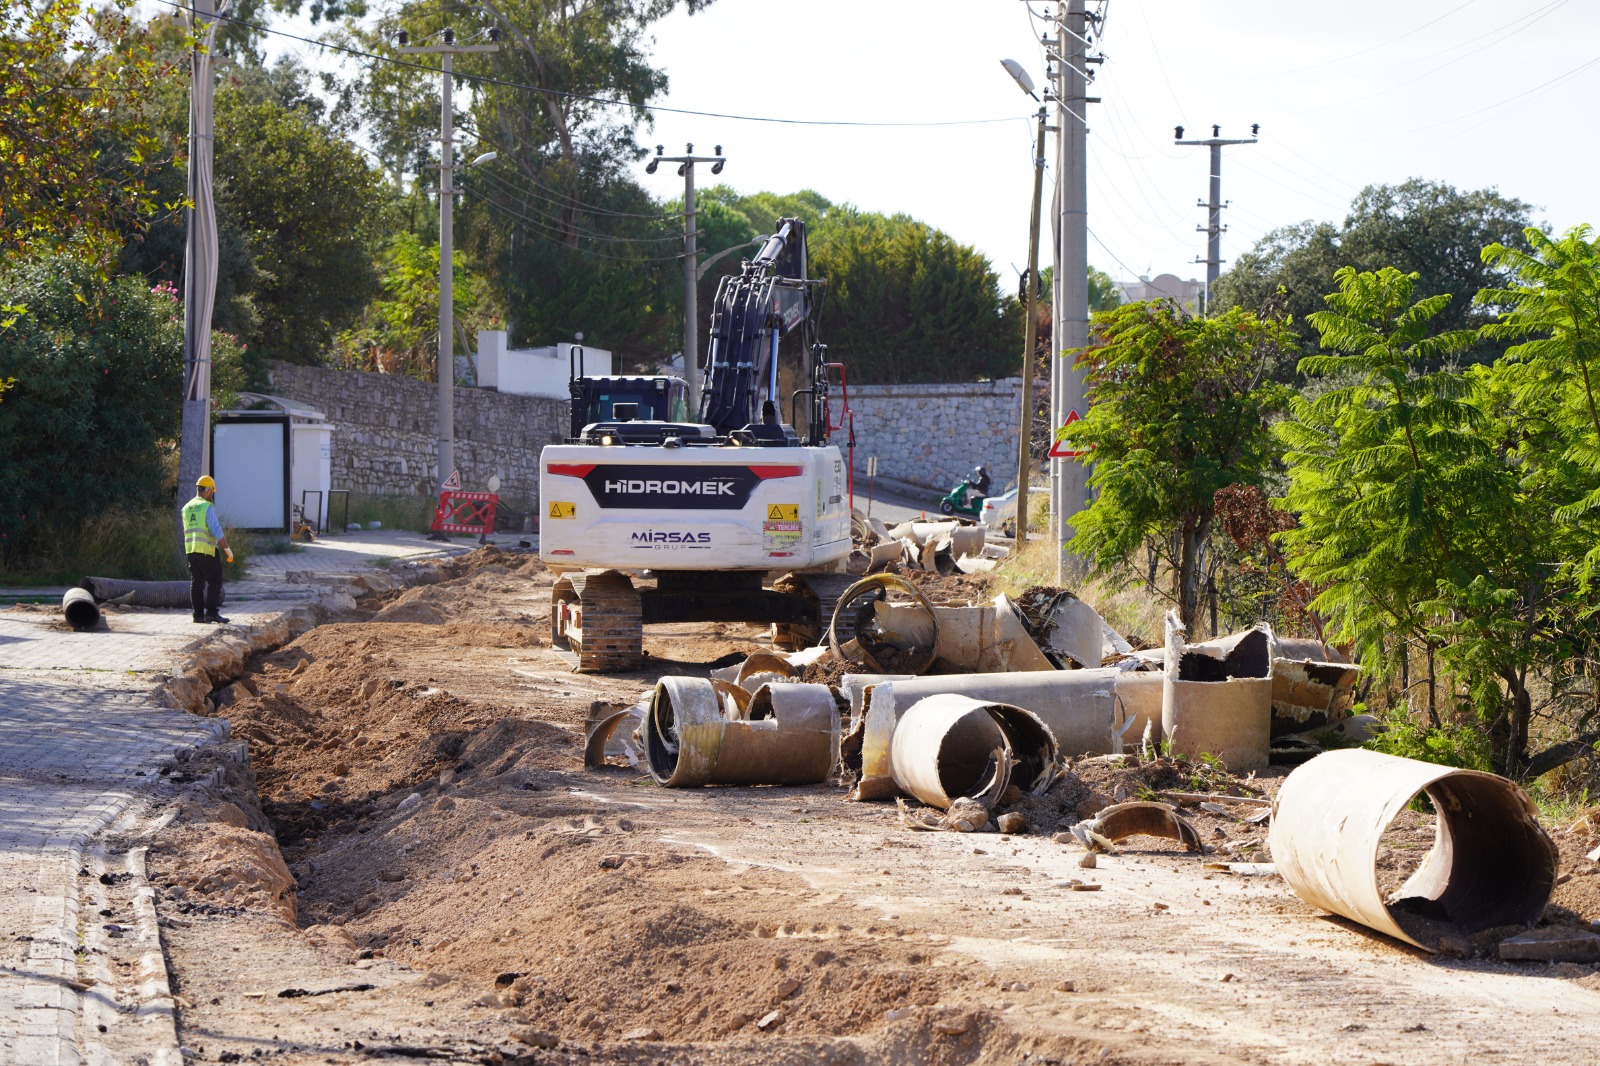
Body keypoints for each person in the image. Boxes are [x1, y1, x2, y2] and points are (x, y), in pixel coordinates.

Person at [182, 475, 233, 624]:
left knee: (197, 582)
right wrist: (227, 549)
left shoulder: (186, 507)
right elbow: (215, 529)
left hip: (191, 550)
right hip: (206, 550)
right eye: (212, 492)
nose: (212, 495)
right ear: (209, 491)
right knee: (215, 580)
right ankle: (211, 613)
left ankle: (197, 616)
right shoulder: (206, 506)